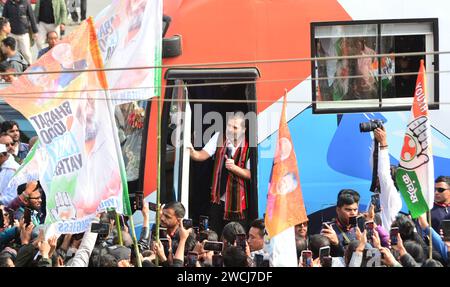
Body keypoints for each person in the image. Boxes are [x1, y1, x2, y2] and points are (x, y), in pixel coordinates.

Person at [189, 112, 251, 236]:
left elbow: (250, 174)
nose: (230, 130)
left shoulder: (249, 147)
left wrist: (234, 168)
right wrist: (190, 150)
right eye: (229, 126)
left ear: (243, 130)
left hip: (238, 202)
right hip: (218, 199)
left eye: (235, 127)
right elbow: (201, 155)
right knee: (215, 233)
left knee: (235, 236)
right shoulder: (219, 137)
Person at [373, 126, 403, 230]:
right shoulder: (380, 195)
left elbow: (383, 173)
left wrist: (384, 143)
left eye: (378, 177)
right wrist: (376, 141)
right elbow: (375, 165)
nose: (377, 178)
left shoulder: (391, 195)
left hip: (388, 244)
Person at [2, 0, 38, 65]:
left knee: (26, 52)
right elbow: (4, 17)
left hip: (24, 33)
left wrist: (35, 31)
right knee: (11, 53)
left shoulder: (26, 2)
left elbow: (32, 17)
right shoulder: (8, 3)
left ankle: (30, 66)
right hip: (11, 33)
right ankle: (13, 68)